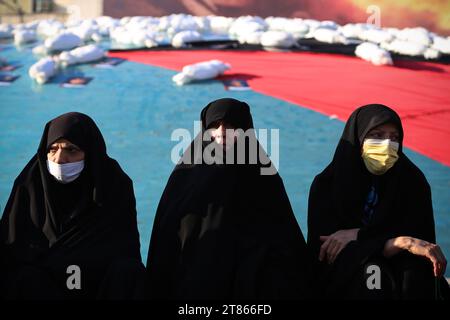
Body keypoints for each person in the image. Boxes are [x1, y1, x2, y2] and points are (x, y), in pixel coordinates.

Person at [146, 98, 311, 299]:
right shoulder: (186, 179)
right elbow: (166, 246)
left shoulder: (263, 177)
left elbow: (285, 240)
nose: (222, 130)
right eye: (215, 125)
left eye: (231, 125)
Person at [307, 104, 449, 299]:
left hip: (400, 260)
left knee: (415, 268)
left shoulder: (412, 180)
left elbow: (420, 240)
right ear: (358, 137)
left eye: (394, 138)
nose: (386, 144)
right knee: (372, 274)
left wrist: (360, 235)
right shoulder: (327, 184)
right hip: (349, 270)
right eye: (377, 135)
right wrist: (396, 241)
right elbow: (325, 252)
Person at [0, 112, 146, 299]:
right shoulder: (29, 188)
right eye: (52, 149)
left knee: (128, 272)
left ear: (90, 154)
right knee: (25, 277)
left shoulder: (113, 187)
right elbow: (12, 256)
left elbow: (123, 251)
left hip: (100, 291)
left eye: (71, 150)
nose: (59, 159)